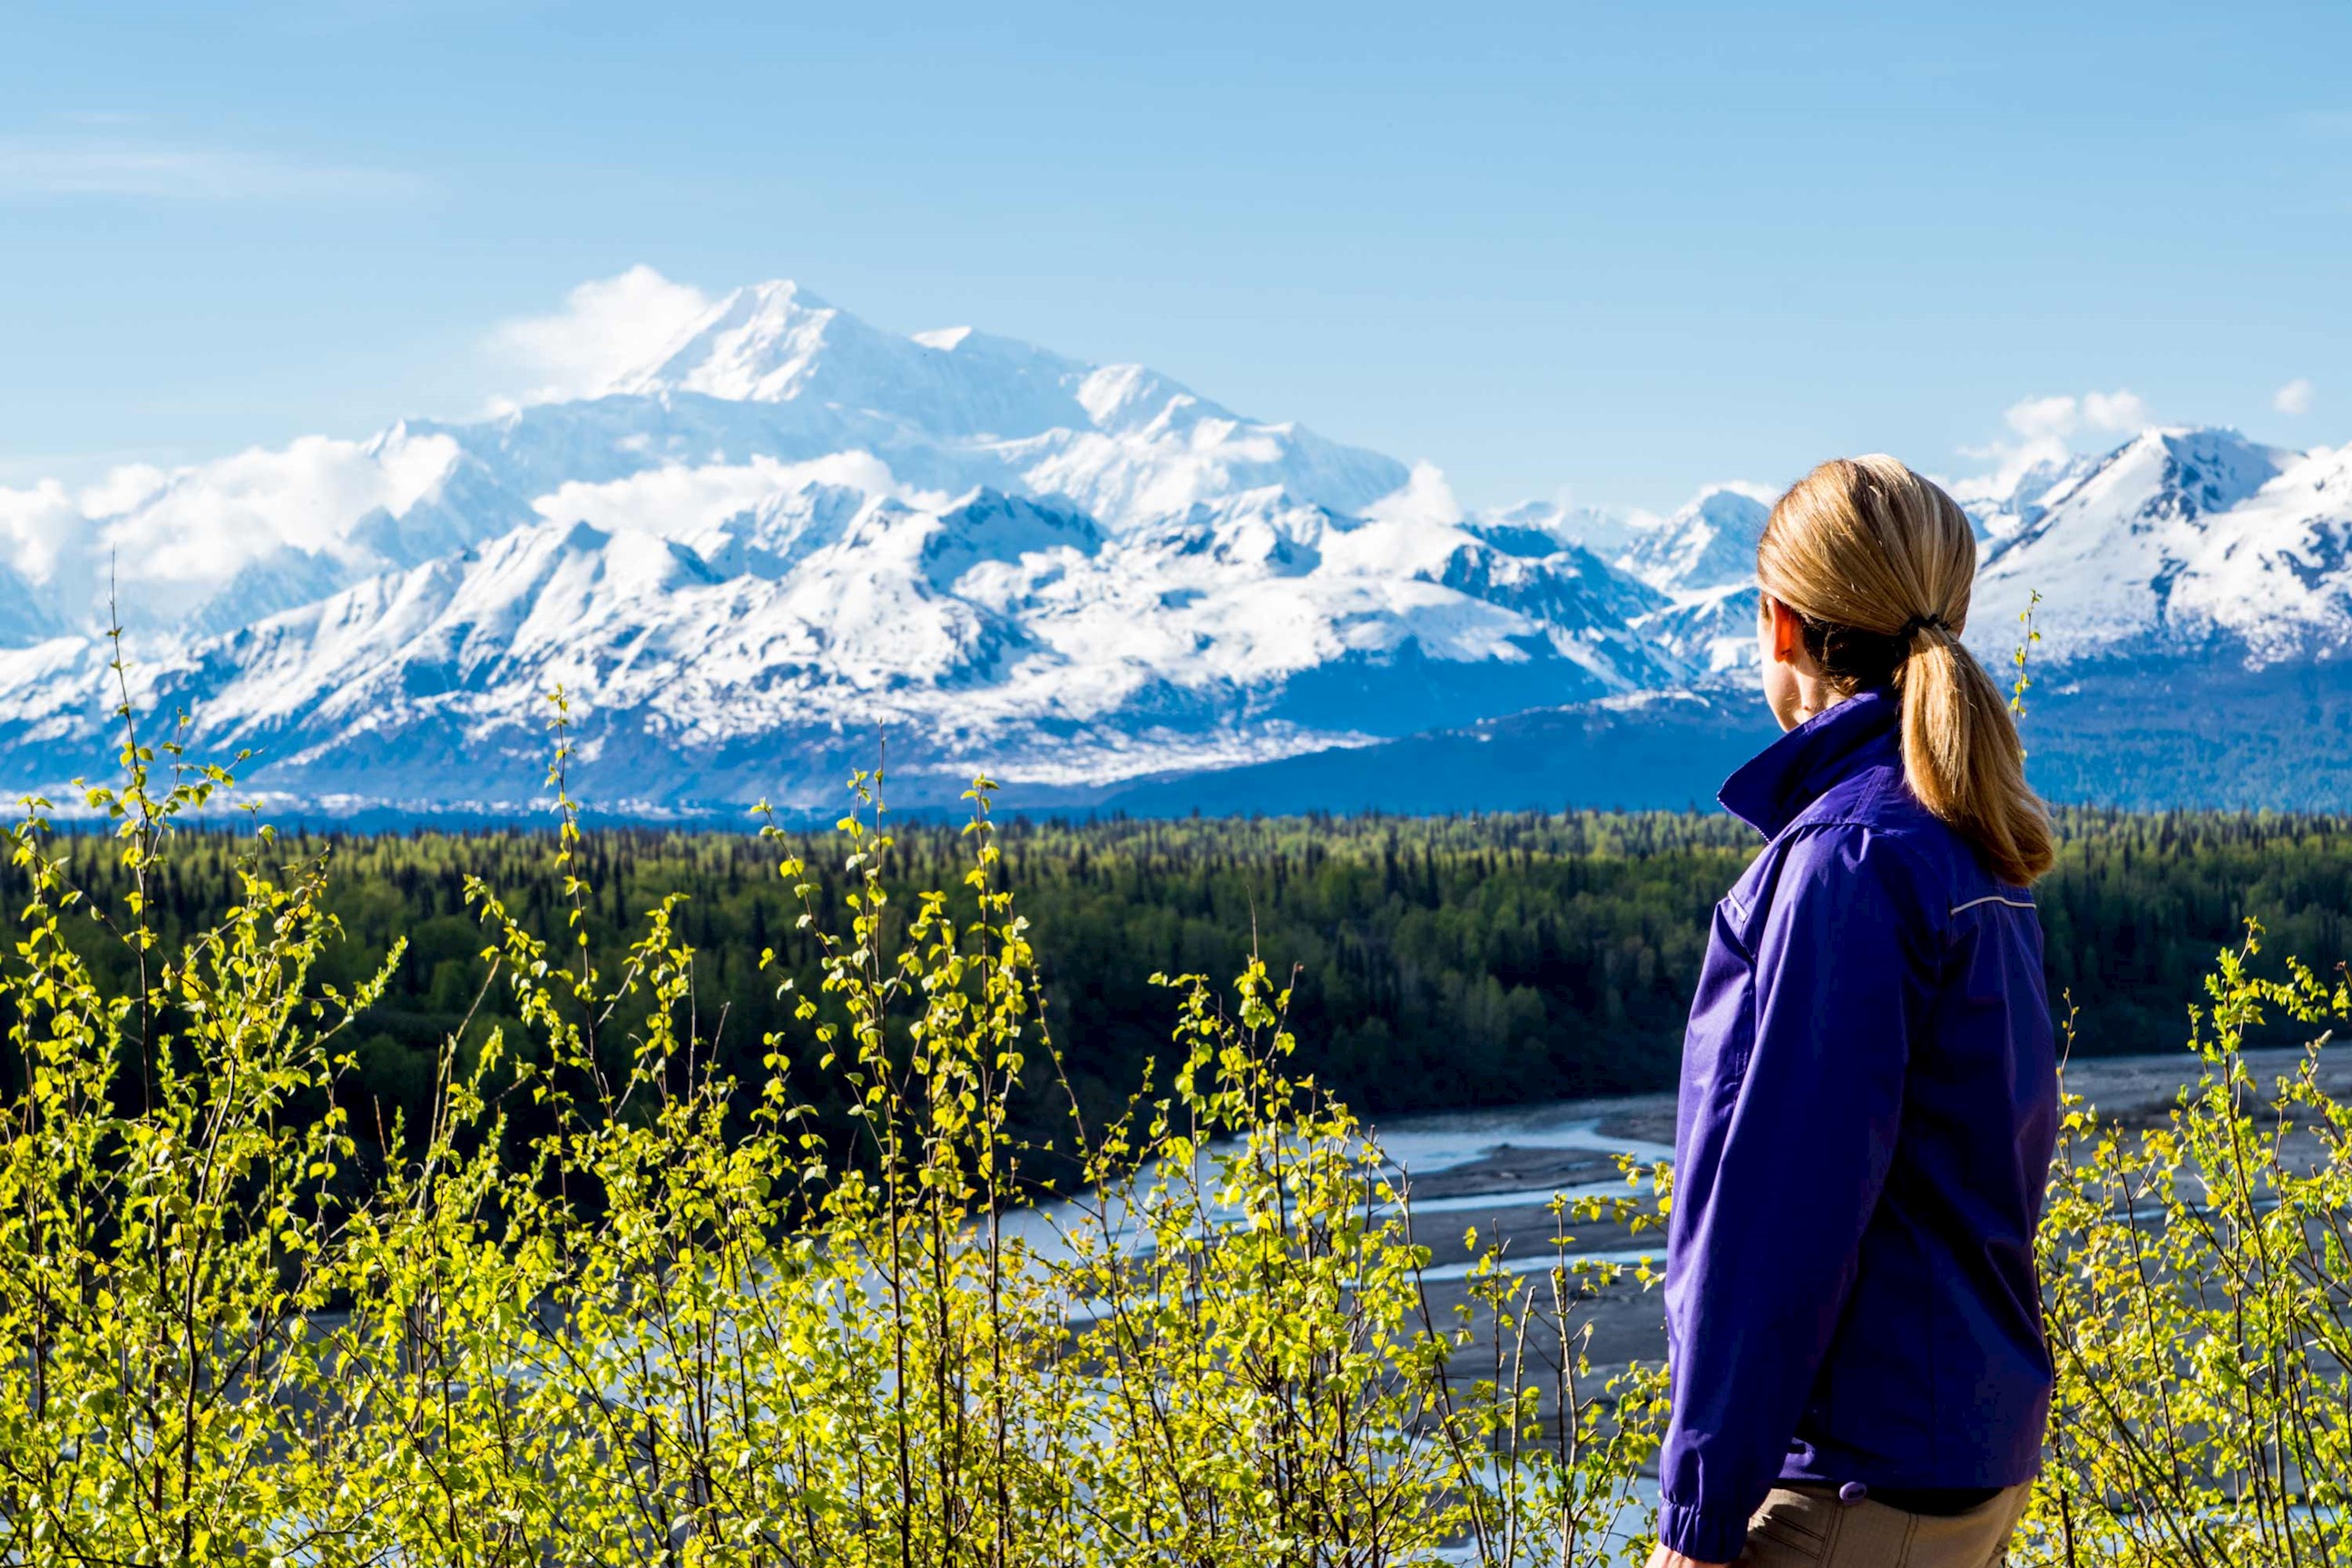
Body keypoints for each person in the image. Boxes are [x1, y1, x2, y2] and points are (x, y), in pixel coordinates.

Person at [1645, 456, 2060, 1568]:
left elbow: (1780, 1207)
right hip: (1958, 1453)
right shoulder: (1962, 836)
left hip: (1849, 1479)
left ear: (1780, 627)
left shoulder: (1845, 858)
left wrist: (1698, 1511)